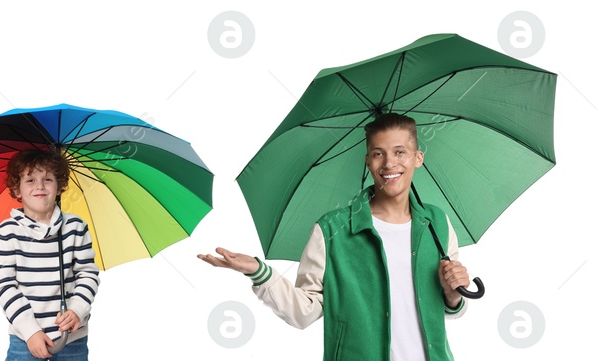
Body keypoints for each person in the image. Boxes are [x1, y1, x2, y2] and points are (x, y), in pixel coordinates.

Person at [198, 113, 473, 360]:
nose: (389, 163)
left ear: (418, 158)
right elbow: (304, 312)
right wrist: (260, 272)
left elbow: (452, 309)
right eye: (378, 153)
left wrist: (452, 295)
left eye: (400, 152)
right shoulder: (332, 230)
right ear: (367, 161)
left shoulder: (437, 222)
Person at [0, 149, 98, 361]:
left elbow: (88, 275)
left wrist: (77, 309)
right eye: (30, 180)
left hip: (72, 339)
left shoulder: (76, 227)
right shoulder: (7, 232)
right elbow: (5, 286)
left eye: (48, 179)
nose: (40, 186)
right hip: (25, 340)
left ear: (59, 187)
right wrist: (30, 331)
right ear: (17, 189)